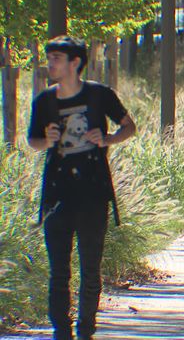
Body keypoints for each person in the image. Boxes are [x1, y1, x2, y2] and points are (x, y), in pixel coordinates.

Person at [28, 36, 136, 340]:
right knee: (58, 271)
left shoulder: (100, 95)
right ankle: (61, 332)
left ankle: (86, 329)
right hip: (56, 195)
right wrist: (45, 141)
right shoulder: (44, 101)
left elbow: (130, 126)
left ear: (75, 63)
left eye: (57, 58)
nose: (50, 64)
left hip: (93, 193)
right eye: (49, 58)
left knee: (90, 269)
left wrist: (109, 139)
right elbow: (32, 141)